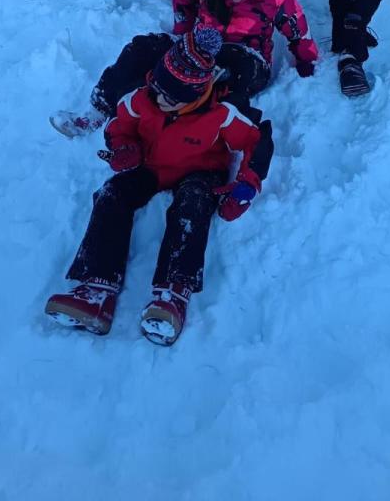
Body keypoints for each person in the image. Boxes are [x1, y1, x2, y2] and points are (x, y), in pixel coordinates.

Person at [45, 26, 274, 346]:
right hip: (153, 167)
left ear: (195, 96)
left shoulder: (221, 114)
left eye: (171, 97)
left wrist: (246, 185)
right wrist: (124, 148)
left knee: (193, 205)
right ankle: (96, 289)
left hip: (200, 170)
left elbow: (256, 140)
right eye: (158, 88)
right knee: (112, 193)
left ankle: (173, 293)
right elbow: (119, 127)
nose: (160, 99)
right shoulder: (142, 99)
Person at [51, 0, 318, 138]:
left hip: (246, 57)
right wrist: (183, 28)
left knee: (224, 77)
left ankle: (189, 132)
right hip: (198, 46)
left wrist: (306, 60)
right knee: (144, 47)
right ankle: (99, 110)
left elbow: (297, 29)